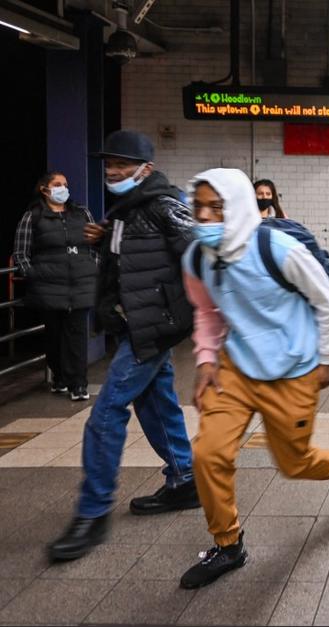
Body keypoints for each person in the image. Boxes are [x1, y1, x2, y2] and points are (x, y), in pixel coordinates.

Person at [179, 168, 329, 589]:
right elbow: (206, 312)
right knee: (208, 453)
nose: (205, 217)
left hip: (292, 370)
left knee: (294, 464)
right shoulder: (197, 258)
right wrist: (206, 360)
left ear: (238, 207)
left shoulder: (276, 249)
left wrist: (328, 358)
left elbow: (325, 299)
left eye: (216, 208)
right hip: (236, 368)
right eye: (199, 207)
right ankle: (228, 544)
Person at [48, 130, 199, 562]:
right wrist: (108, 236)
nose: (112, 171)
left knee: (105, 414)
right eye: (109, 164)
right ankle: (185, 479)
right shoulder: (127, 210)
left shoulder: (164, 204)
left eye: (121, 165)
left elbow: (197, 256)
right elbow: (133, 257)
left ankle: (91, 514)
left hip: (151, 328)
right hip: (136, 326)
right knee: (155, 402)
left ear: (145, 169)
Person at [13, 172, 98, 401]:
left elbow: (95, 246)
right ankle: (60, 377)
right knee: (55, 337)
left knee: (78, 337)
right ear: (44, 189)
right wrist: (32, 274)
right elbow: (21, 253)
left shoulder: (82, 213)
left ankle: (78, 384)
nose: (63, 188)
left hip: (80, 284)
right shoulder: (33, 217)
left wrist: (91, 266)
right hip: (48, 286)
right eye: (57, 184)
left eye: (65, 185)